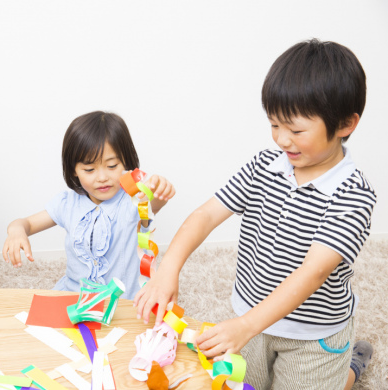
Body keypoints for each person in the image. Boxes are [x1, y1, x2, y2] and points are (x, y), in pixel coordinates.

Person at [134, 39, 375, 389]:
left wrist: (246, 326)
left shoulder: (353, 195)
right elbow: (205, 215)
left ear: (345, 124)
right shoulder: (264, 165)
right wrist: (167, 270)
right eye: (275, 125)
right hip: (249, 316)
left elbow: (313, 272)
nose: (282, 140)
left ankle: (349, 366)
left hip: (313, 339)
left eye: (296, 130)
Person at [3, 111, 175, 299]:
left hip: (124, 302)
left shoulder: (133, 200)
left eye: (112, 166)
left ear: (125, 162)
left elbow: (155, 202)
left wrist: (159, 190)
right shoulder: (67, 204)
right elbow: (25, 223)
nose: (102, 178)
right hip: (76, 297)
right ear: (74, 170)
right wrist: (16, 232)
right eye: (89, 169)